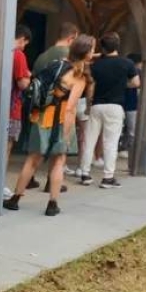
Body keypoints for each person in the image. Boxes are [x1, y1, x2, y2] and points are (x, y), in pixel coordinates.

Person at [4, 35, 94, 217]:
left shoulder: (57, 63)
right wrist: (67, 134)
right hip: (60, 120)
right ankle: (52, 204)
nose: (93, 52)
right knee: (58, 161)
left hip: (41, 116)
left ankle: (15, 199)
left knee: (32, 160)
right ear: (85, 52)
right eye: (92, 49)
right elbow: (70, 108)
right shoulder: (79, 76)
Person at [77, 32, 139, 189]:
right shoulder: (127, 63)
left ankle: (85, 174)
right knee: (110, 143)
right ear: (118, 45)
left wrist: (98, 53)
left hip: (96, 105)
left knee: (88, 141)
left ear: (102, 47)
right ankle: (107, 177)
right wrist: (122, 85)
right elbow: (136, 83)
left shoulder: (96, 64)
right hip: (116, 106)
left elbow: (90, 82)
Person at [33, 23, 82, 177]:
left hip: (41, 107)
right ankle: (52, 183)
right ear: (71, 37)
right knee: (59, 154)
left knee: (36, 151)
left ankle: (30, 178)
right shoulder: (72, 58)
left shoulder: (42, 56)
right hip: (61, 109)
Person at [4, 25, 33, 195]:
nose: (24, 47)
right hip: (11, 108)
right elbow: (22, 84)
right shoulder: (18, 54)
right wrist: (29, 77)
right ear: (22, 39)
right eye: (25, 43)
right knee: (5, 148)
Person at [119, 53, 143, 159]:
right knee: (131, 129)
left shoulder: (121, 70)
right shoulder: (137, 72)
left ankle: (120, 148)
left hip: (120, 102)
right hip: (131, 103)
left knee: (120, 128)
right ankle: (128, 149)